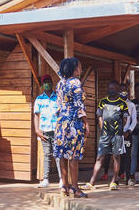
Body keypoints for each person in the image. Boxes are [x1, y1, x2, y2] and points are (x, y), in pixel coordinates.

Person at [53, 57, 90, 197]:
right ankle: (75, 188)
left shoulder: (59, 84)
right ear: (74, 68)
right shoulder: (75, 82)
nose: (80, 69)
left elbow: (58, 105)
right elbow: (79, 105)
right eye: (79, 66)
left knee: (62, 154)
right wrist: (86, 122)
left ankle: (64, 186)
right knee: (74, 156)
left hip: (61, 122)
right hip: (73, 122)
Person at [83, 80, 128, 191]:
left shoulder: (122, 104)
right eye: (109, 88)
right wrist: (103, 128)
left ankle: (114, 181)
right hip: (105, 135)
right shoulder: (103, 102)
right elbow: (99, 116)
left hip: (117, 135)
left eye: (113, 89)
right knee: (100, 157)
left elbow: (125, 119)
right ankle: (92, 181)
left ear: (118, 90)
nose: (110, 90)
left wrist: (120, 130)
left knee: (116, 157)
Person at [33, 74, 60, 188]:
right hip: (44, 131)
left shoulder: (58, 97)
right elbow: (36, 115)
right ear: (43, 85)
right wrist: (37, 130)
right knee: (47, 155)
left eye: (48, 81)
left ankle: (62, 179)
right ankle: (45, 179)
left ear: (52, 83)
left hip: (56, 130)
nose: (47, 84)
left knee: (58, 155)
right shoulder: (39, 99)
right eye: (45, 82)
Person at [120, 80, 137, 186]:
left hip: (127, 134)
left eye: (124, 91)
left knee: (127, 156)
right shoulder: (114, 103)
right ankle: (117, 176)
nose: (123, 93)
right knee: (117, 156)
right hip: (117, 134)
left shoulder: (131, 105)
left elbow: (134, 119)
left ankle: (128, 178)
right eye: (121, 91)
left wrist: (129, 131)